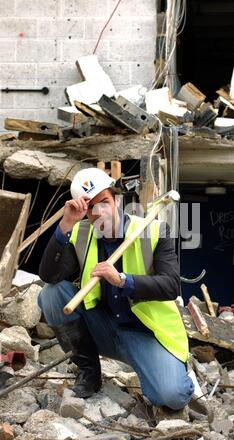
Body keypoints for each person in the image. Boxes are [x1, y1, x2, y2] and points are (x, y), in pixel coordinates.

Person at [37, 167, 196, 410]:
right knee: (51, 293)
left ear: (117, 200)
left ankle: (178, 371)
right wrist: (66, 222)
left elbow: (171, 285)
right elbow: (49, 275)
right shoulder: (81, 233)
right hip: (103, 327)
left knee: (171, 397)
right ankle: (89, 372)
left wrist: (123, 280)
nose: (99, 212)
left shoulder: (154, 231)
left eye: (104, 202)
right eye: (91, 207)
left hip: (145, 333)